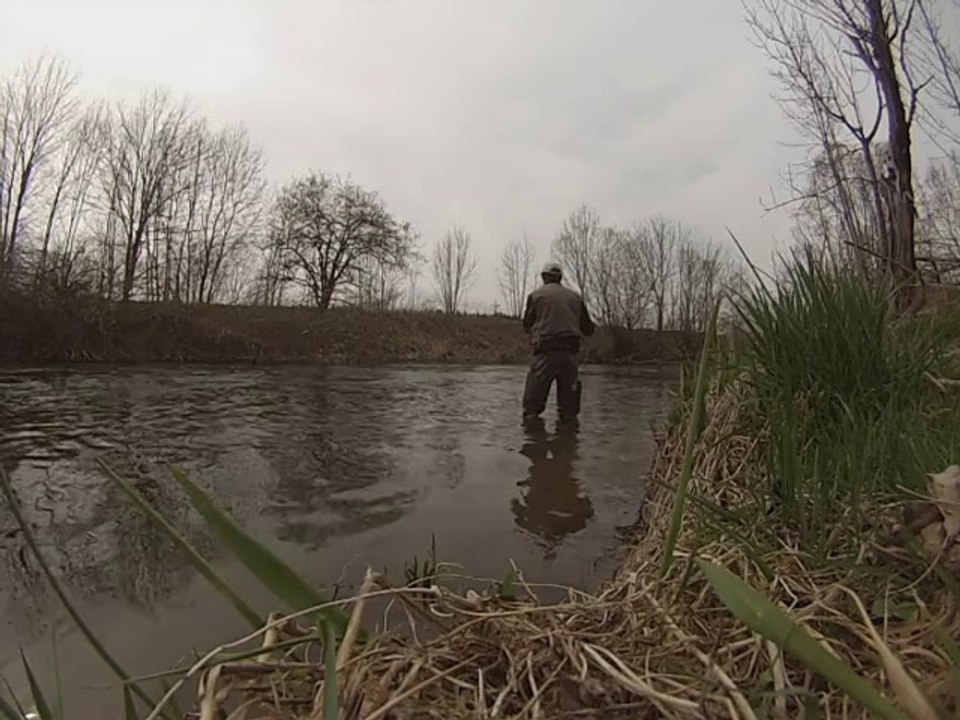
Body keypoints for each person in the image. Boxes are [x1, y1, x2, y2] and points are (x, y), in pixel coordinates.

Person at [521, 261, 595, 423]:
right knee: (569, 412)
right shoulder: (576, 297)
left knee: (531, 410)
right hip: (570, 354)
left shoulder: (535, 296)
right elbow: (588, 329)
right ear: (560, 278)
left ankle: (533, 442)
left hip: (545, 353)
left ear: (544, 277)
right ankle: (568, 443)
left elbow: (527, 324)